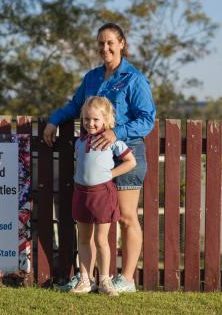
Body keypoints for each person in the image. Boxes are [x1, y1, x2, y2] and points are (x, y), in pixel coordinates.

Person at [45, 22, 156, 293]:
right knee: (93, 219)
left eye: (110, 42)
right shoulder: (92, 77)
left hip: (125, 154)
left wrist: (115, 133)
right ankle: (89, 279)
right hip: (96, 159)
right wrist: (54, 121)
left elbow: (147, 119)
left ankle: (126, 280)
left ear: (122, 44)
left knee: (127, 217)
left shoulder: (135, 79)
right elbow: (75, 106)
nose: (104, 48)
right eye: (100, 43)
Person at [70, 97, 136, 296]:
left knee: (101, 240)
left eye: (96, 120)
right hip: (81, 193)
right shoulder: (79, 142)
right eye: (87, 119)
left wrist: (110, 174)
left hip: (103, 195)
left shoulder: (114, 142)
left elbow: (130, 162)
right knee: (83, 238)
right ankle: (85, 280)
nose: (90, 123)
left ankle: (105, 280)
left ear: (106, 120)